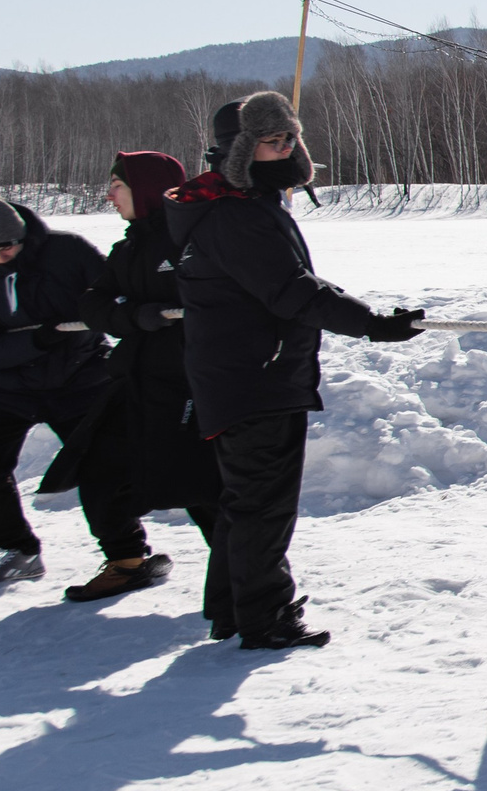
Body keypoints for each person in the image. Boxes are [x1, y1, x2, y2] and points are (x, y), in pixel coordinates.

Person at [167, 92, 424, 649]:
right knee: (263, 504)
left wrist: (362, 314)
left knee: (244, 501)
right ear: (239, 150)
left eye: (290, 138)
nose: (285, 148)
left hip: (247, 376)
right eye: (271, 140)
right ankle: (266, 617)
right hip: (254, 380)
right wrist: (371, 324)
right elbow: (291, 291)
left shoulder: (246, 205)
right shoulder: (236, 215)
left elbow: (291, 283)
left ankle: (233, 609)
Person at [36, 153, 225, 603]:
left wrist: (145, 315)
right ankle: (127, 562)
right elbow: (93, 304)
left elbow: (218, 306)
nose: (109, 196)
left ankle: (243, 575)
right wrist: (136, 315)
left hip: (187, 384)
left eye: (117, 185)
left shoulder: (192, 239)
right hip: (135, 379)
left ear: (145, 189)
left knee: (198, 484)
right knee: (99, 469)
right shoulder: (128, 248)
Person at [0, 198, 111, 590]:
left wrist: (81, 327)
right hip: (11, 386)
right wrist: (37, 340)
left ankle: (126, 554)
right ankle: (19, 549)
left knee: (102, 468)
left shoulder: (67, 249)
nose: (0, 257)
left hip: (80, 377)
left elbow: (110, 296)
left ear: (21, 235)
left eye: (7, 247)